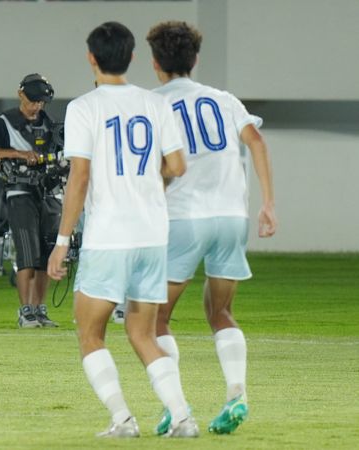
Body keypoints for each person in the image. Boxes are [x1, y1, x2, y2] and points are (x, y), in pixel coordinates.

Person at [47, 22, 198, 438]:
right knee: (142, 332)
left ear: (91, 58)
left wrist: (61, 242)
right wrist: (146, 185)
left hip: (109, 235)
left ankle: (122, 419)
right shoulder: (155, 104)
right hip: (151, 234)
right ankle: (182, 416)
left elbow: (79, 177)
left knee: (90, 333)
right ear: (132, 58)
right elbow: (178, 166)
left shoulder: (84, 107)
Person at [146, 21, 277, 435]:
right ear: (195, 60)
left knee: (156, 320)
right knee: (221, 311)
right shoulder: (223, 99)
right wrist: (268, 204)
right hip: (231, 218)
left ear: (155, 63)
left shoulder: (150, 103)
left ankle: (175, 409)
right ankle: (236, 394)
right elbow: (256, 140)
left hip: (184, 217)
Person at [0, 74, 64, 328]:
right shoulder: (6, 122)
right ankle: (25, 310)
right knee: (27, 252)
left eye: (41, 102)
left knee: (45, 254)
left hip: (49, 193)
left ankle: (39, 309)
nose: (36, 107)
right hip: (19, 193)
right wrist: (17, 153)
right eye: (33, 101)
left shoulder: (51, 125)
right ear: (21, 95)